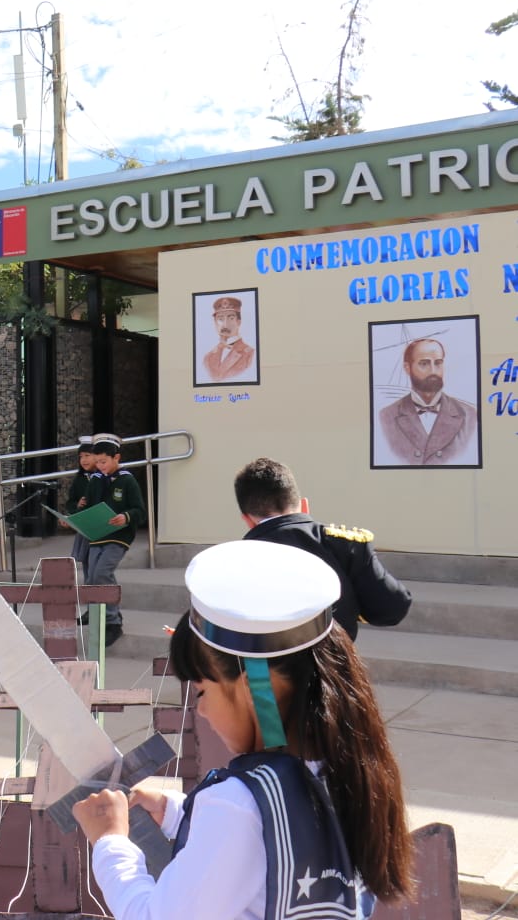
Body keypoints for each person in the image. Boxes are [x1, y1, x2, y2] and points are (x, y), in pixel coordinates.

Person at [74, 539, 413, 919]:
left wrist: (110, 841)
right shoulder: (349, 770)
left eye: (202, 690)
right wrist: (177, 812)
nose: (199, 710)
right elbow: (278, 838)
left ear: (252, 690)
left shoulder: (237, 804)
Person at [234, 456, 410, 640]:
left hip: (267, 668)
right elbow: (392, 609)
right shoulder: (346, 544)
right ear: (304, 505)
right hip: (334, 665)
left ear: (247, 519)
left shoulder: (232, 561)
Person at [377, 336, 479, 466]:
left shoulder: (469, 415)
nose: (433, 371)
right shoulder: (386, 417)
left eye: (438, 363)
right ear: (407, 368)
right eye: (424, 364)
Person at [84, 433, 143, 647]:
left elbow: (139, 510)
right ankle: (101, 616)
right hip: (97, 536)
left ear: (116, 458)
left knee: (102, 573)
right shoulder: (95, 480)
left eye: (103, 462)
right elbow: (91, 507)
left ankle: (113, 622)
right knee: (91, 576)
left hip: (119, 536)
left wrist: (126, 517)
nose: (99, 466)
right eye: (96, 462)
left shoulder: (127, 480)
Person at [199, 295, 256, 382]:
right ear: (215, 323)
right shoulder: (207, 358)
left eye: (231, 318)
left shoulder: (251, 355)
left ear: (239, 322)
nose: (225, 324)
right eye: (220, 319)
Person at [61, 435, 98, 566]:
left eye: (87, 455)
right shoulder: (80, 479)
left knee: (98, 566)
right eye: (81, 457)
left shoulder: (104, 477)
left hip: (100, 527)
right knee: (87, 564)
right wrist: (75, 508)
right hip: (85, 529)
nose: (83, 460)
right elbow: (71, 502)